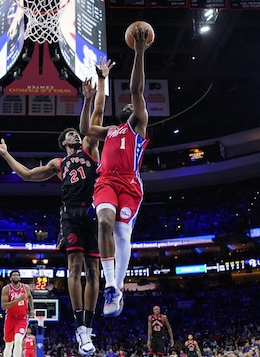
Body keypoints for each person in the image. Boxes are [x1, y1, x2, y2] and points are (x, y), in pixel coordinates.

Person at [0, 58, 114, 355]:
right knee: (74, 267)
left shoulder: (90, 148)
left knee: (93, 270)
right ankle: (79, 327)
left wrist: (100, 82)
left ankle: (88, 325)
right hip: (70, 214)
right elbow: (26, 175)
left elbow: (97, 111)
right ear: (63, 142)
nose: (76, 133)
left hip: (92, 210)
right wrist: (6, 154)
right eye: (71, 133)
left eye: (77, 131)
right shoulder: (58, 163)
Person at [79, 25, 151, 317]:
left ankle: (118, 288)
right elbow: (85, 128)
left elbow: (135, 89)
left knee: (122, 234)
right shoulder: (109, 130)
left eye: (131, 106)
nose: (127, 106)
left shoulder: (139, 125)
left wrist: (139, 52)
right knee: (105, 223)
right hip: (106, 182)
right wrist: (89, 97)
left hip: (131, 185)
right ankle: (111, 286)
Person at [0, 270, 35, 357]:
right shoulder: (6, 289)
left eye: (17, 275)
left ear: (19, 277)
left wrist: (32, 309)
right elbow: (4, 306)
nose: (16, 276)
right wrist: (18, 300)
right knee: (8, 344)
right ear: (11, 278)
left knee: (18, 340)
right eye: (14, 275)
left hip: (22, 318)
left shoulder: (25, 287)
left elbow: (30, 297)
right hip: (10, 318)